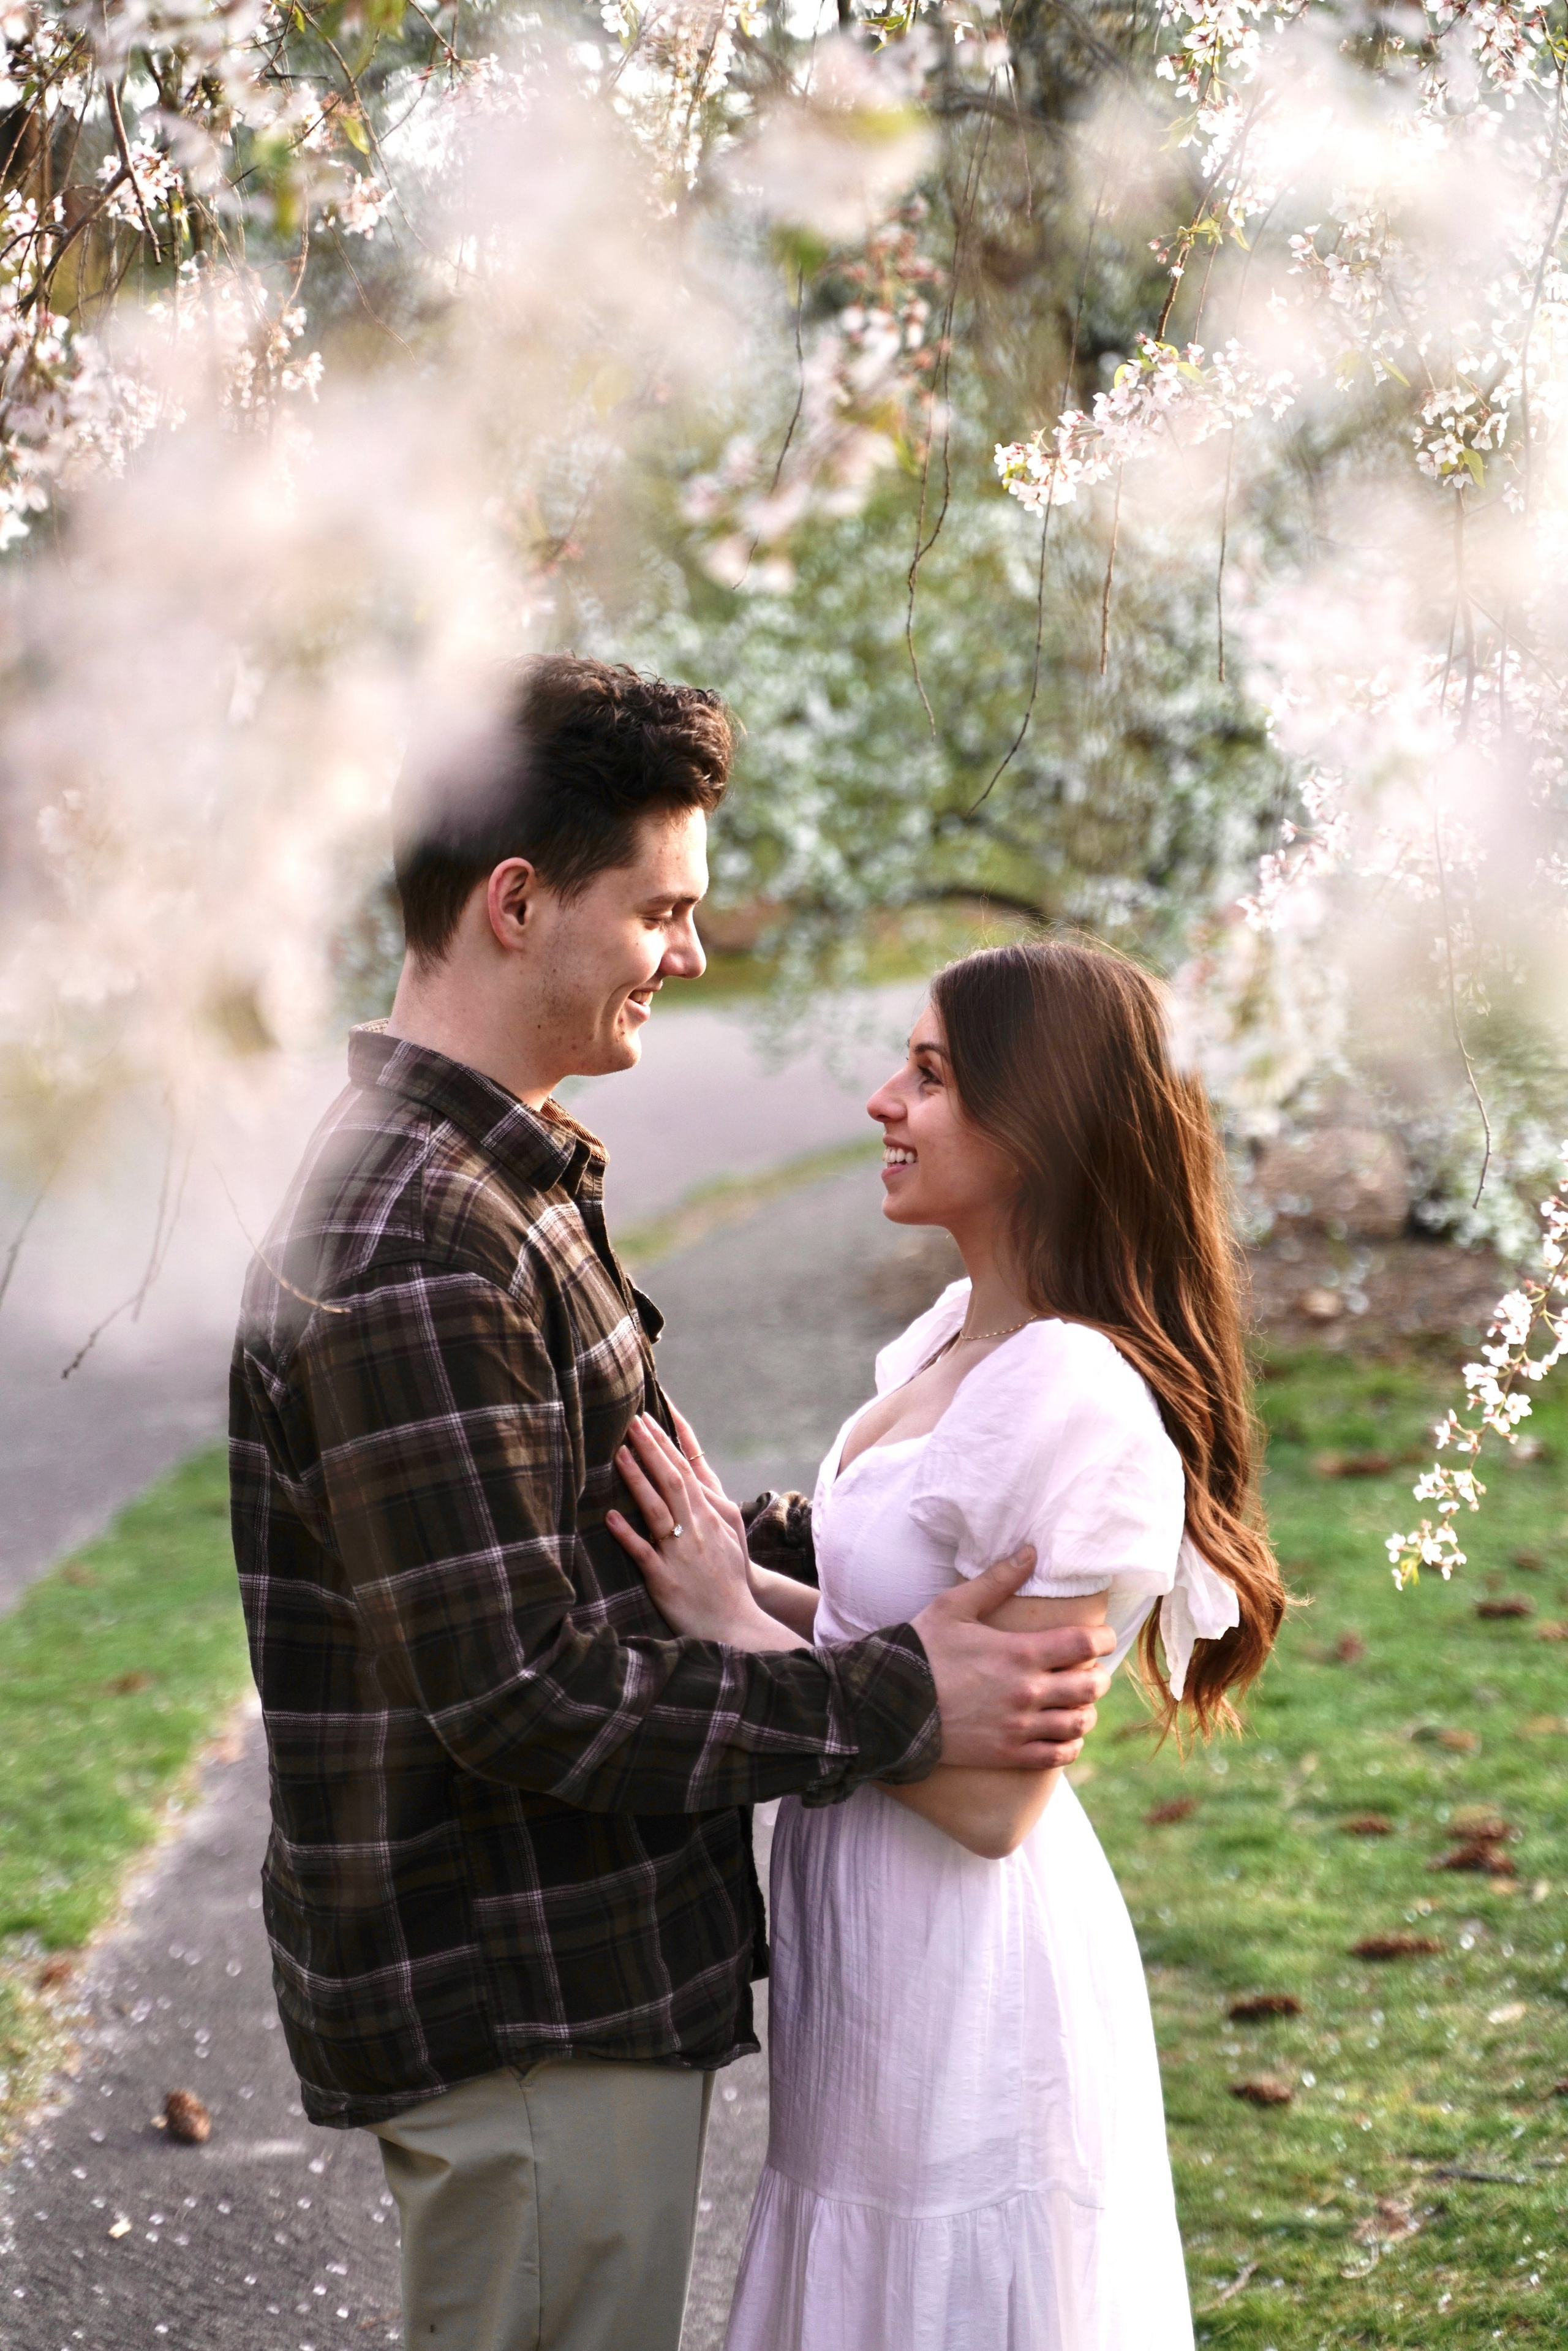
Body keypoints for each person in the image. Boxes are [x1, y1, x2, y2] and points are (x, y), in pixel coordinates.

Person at [228, 657, 1118, 2351]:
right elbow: (519, 1683)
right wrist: (905, 1693)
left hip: (573, 1993)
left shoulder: (501, 1175)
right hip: (524, 2006)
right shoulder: (419, 1232)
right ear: (516, 904)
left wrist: (845, 1548)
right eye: (662, 911)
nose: (693, 953)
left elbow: (626, 1529)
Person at [608, 937, 1290, 2351]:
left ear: (1032, 1120)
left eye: (928, 1075)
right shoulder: (950, 1342)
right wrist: (740, 1581)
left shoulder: (1071, 1396)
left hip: (967, 1958)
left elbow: (990, 1797)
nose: (880, 1102)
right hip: (867, 1935)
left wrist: (736, 1623)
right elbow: (895, 1651)